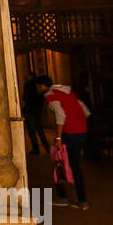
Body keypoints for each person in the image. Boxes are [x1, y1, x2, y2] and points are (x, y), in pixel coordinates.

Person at [41, 80, 91, 209]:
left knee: (58, 163)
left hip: (69, 132)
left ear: (42, 85)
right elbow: (85, 111)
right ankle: (82, 200)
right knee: (75, 165)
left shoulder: (50, 94)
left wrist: (58, 136)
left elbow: (60, 114)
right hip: (82, 131)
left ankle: (62, 197)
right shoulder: (69, 92)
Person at [21, 72, 50, 156]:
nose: (25, 77)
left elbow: (24, 97)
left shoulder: (28, 85)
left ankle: (36, 149)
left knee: (31, 131)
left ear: (30, 76)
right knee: (39, 129)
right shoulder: (39, 86)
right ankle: (47, 147)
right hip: (38, 109)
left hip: (30, 109)